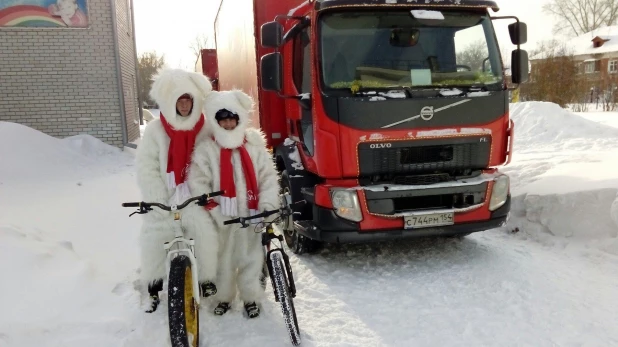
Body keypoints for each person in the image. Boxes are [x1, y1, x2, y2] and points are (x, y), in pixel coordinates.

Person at [188, 90, 280, 318]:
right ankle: (224, 298)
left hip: (252, 213)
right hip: (223, 216)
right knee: (223, 260)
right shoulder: (206, 149)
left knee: (251, 257)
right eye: (223, 119)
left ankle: (251, 298)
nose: (228, 123)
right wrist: (213, 209)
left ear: (239, 119)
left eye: (232, 118)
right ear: (216, 121)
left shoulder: (254, 146)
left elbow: (268, 177)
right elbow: (199, 182)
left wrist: (267, 203)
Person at [135, 68, 218, 313]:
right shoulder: (155, 130)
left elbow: (213, 160)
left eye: (188, 99)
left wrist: (206, 189)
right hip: (164, 193)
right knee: (155, 235)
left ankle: (205, 279)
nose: (184, 105)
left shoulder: (205, 128)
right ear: (171, 102)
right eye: (179, 100)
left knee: (204, 232)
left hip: (194, 192)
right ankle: (153, 286)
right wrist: (156, 197)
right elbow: (146, 165)